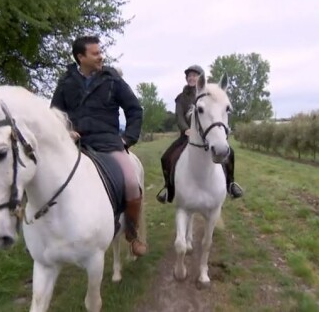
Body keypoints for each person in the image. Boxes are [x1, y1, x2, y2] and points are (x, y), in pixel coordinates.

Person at [50, 36, 147, 257]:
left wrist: (127, 139)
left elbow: (134, 109)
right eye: (95, 53)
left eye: (100, 52)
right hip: (75, 144)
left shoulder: (112, 79)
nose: (100, 56)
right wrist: (66, 131)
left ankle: (132, 234)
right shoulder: (65, 83)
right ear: (80, 57)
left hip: (108, 143)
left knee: (132, 183)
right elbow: (54, 114)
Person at [156, 64, 244, 203]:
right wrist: (186, 129)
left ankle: (231, 184)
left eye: (194, 75)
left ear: (200, 78)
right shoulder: (180, 98)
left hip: (206, 135)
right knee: (166, 157)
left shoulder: (208, 95)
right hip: (186, 136)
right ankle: (168, 188)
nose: (191, 78)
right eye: (189, 76)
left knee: (230, 153)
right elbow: (179, 116)